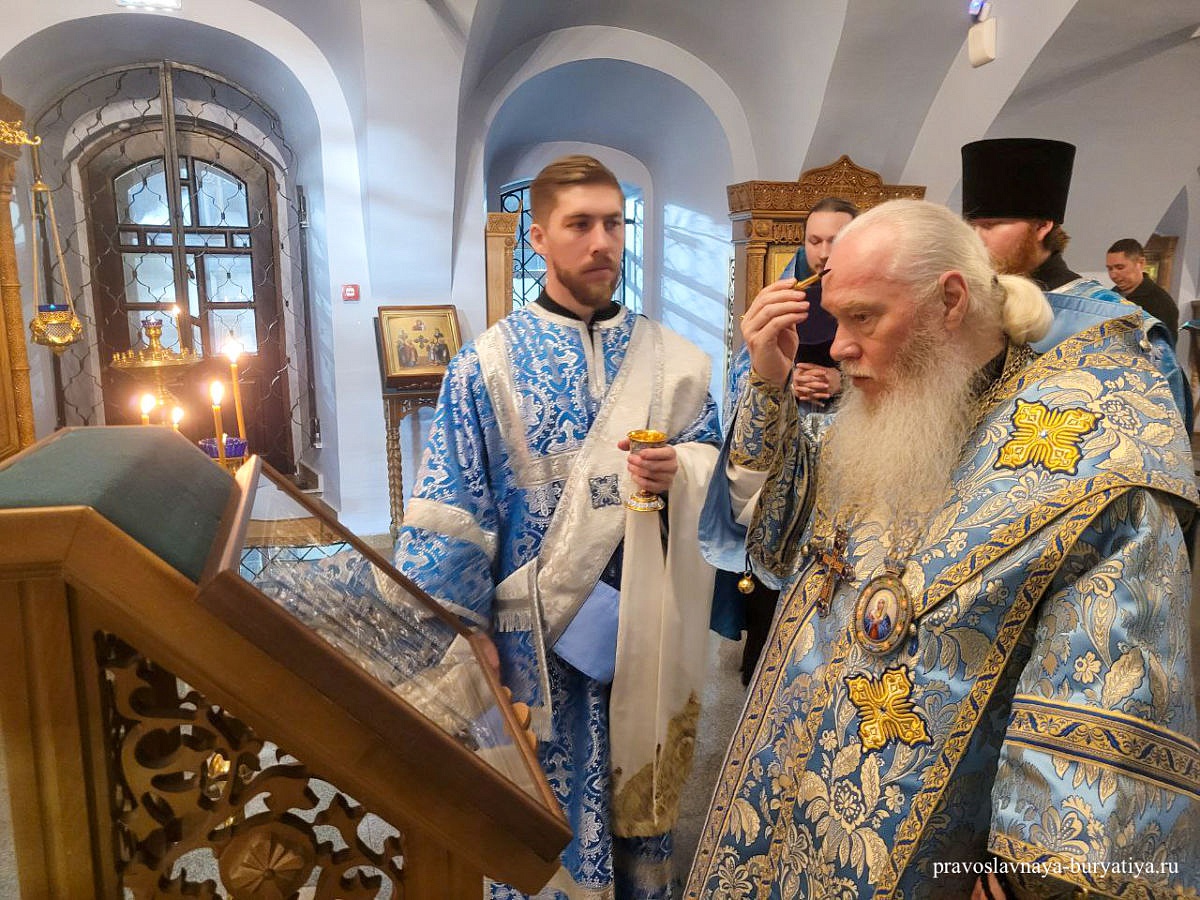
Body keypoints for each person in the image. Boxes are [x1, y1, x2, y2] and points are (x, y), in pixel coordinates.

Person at [688, 199, 1198, 898]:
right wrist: (770, 384)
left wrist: (1026, 884)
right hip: (787, 819)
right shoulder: (892, 406)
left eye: (863, 317)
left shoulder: (1097, 460)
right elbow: (776, 545)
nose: (836, 346)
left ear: (951, 301)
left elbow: (1103, 750)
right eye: (835, 319)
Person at [394, 154, 722, 899]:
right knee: (543, 817)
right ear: (538, 238)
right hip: (534, 647)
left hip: (644, 627)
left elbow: (718, 473)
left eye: (614, 222)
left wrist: (685, 469)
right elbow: (454, 515)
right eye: (581, 225)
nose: (603, 241)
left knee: (642, 803)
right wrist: (467, 641)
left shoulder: (672, 363)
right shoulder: (486, 366)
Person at [708, 198, 858, 686]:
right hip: (784, 475)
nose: (823, 252)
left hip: (848, 471)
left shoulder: (876, 303)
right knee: (769, 598)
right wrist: (779, 379)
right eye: (814, 240)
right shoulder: (784, 297)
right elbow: (741, 379)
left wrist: (844, 386)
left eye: (836, 240)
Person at [962, 137, 1192, 429]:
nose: (976, 238)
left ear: (1042, 226)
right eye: (971, 226)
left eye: (990, 225)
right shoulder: (966, 307)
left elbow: (1153, 434)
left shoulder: (1114, 324)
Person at [1107, 237, 1179, 342]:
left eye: (1120, 267)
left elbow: (1163, 351)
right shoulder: (1110, 296)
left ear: (1141, 263)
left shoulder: (1161, 303)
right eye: (1110, 268)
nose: (1113, 275)